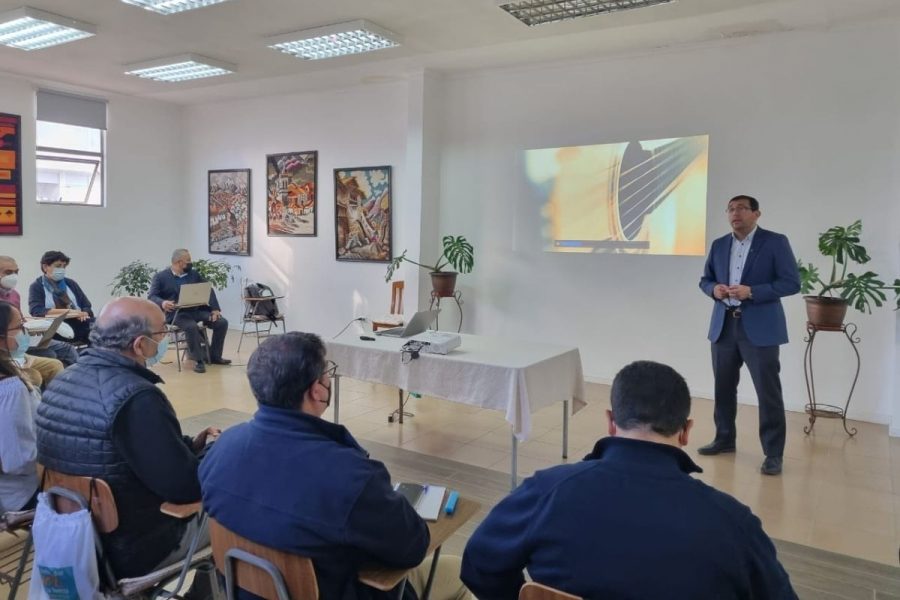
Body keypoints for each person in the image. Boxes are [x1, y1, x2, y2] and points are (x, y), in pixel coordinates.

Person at [461, 361, 797, 600]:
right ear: (686, 431)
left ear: (610, 422)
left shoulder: (546, 491)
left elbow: (479, 564)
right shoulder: (733, 523)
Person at [200, 332, 468, 600]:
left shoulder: (221, 449)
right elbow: (412, 547)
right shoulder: (347, 476)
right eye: (327, 373)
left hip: (242, 593)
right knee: (458, 572)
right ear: (317, 390)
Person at [35, 297, 219, 579]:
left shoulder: (62, 379)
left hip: (71, 538)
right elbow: (185, 489)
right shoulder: (136, 396)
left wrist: (191, 447)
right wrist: (213, 453)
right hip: (134, 549)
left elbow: (113, 448)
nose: (165, 339)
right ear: (140, 344)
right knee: (238, 511)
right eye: (162, 334)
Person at [698, 195, 800, 476]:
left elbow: (791, 282)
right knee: (723, 387)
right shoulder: (719, 245)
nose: (735, 213)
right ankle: (724, 438)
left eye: (742, 208)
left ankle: (773, 453)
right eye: (730, 208)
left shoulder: (775, 242)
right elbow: (704, 280)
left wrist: (752, 291)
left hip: (760, 329)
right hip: (724, 326)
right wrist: (714, 290)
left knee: (768, 393)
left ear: (757, 213)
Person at [148, 249, 230, 374]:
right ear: (179, 262)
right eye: (188, 260)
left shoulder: (194, 274)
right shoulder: (160, 277)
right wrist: (163, 303)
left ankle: (215, 356)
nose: (191, 263)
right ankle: (198, 361)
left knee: (221, 322)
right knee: (191, 327)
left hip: (196, 311)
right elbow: (152, 296)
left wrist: (215, 309)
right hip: (177, 314)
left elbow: (209, 289)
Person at [1, 254, 79, 367]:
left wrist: (44, 325)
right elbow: (36, 310)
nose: (13, 276)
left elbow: (20, 320)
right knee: (49, 355)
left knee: (67, 349)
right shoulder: (37, 286)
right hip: (8, 344)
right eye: (8, 272)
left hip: (24, 338)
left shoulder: (14, 295)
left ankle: (79, 381)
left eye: (16, 272)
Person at [0, 301, 40, 514]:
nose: (25, 331)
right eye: (19, 326)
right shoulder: (10, 389)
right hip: (21, 495)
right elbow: (19, 461)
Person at [28, 250, 95, 345]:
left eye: (64, 266)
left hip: (79, 322)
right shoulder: (37, 286)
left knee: (100, 327)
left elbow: (86, 306)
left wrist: (84, 312)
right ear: (45, 267)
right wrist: (69, 312)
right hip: (55, 327)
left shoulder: (70, 283)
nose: (62, 269)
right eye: (58, 266)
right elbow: (36, 310)